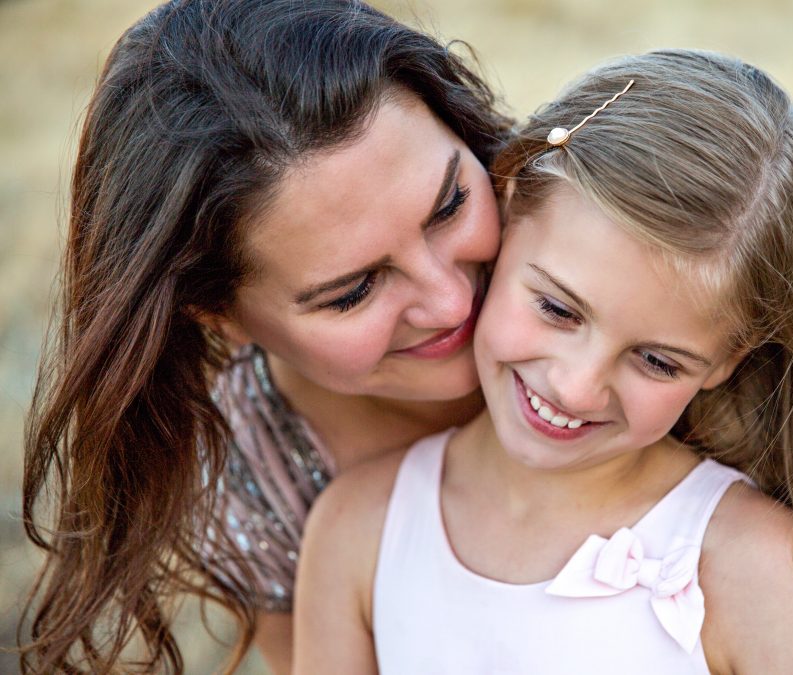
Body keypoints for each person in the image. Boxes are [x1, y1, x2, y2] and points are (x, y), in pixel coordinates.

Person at [293, 50, 793, 673]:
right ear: (509, 202)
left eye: (656, 361)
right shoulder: (358, 530)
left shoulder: (762, 571)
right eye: (558, 309)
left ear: (728, 359)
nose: (577, 385)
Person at [19, 0, 510, 672]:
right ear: (215, 312)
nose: (451, 300)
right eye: (354, 290)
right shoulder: (253, 480)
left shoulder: (618, 246)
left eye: (450, 204)